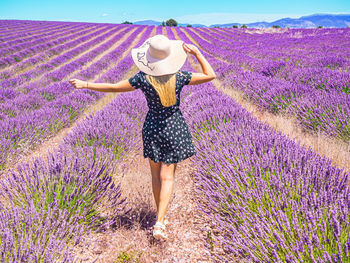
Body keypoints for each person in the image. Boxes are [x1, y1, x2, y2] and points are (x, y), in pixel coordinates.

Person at [69, 34, 216, 241]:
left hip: (152, 127)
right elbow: (210, 75)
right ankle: (160, 222)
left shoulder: (143, 78)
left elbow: (113, 88)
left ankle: (160, 219)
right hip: (174, 127)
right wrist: (198, 53)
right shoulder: (180, 76)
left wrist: (85, 84)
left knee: (156, 176)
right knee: (168, 177)